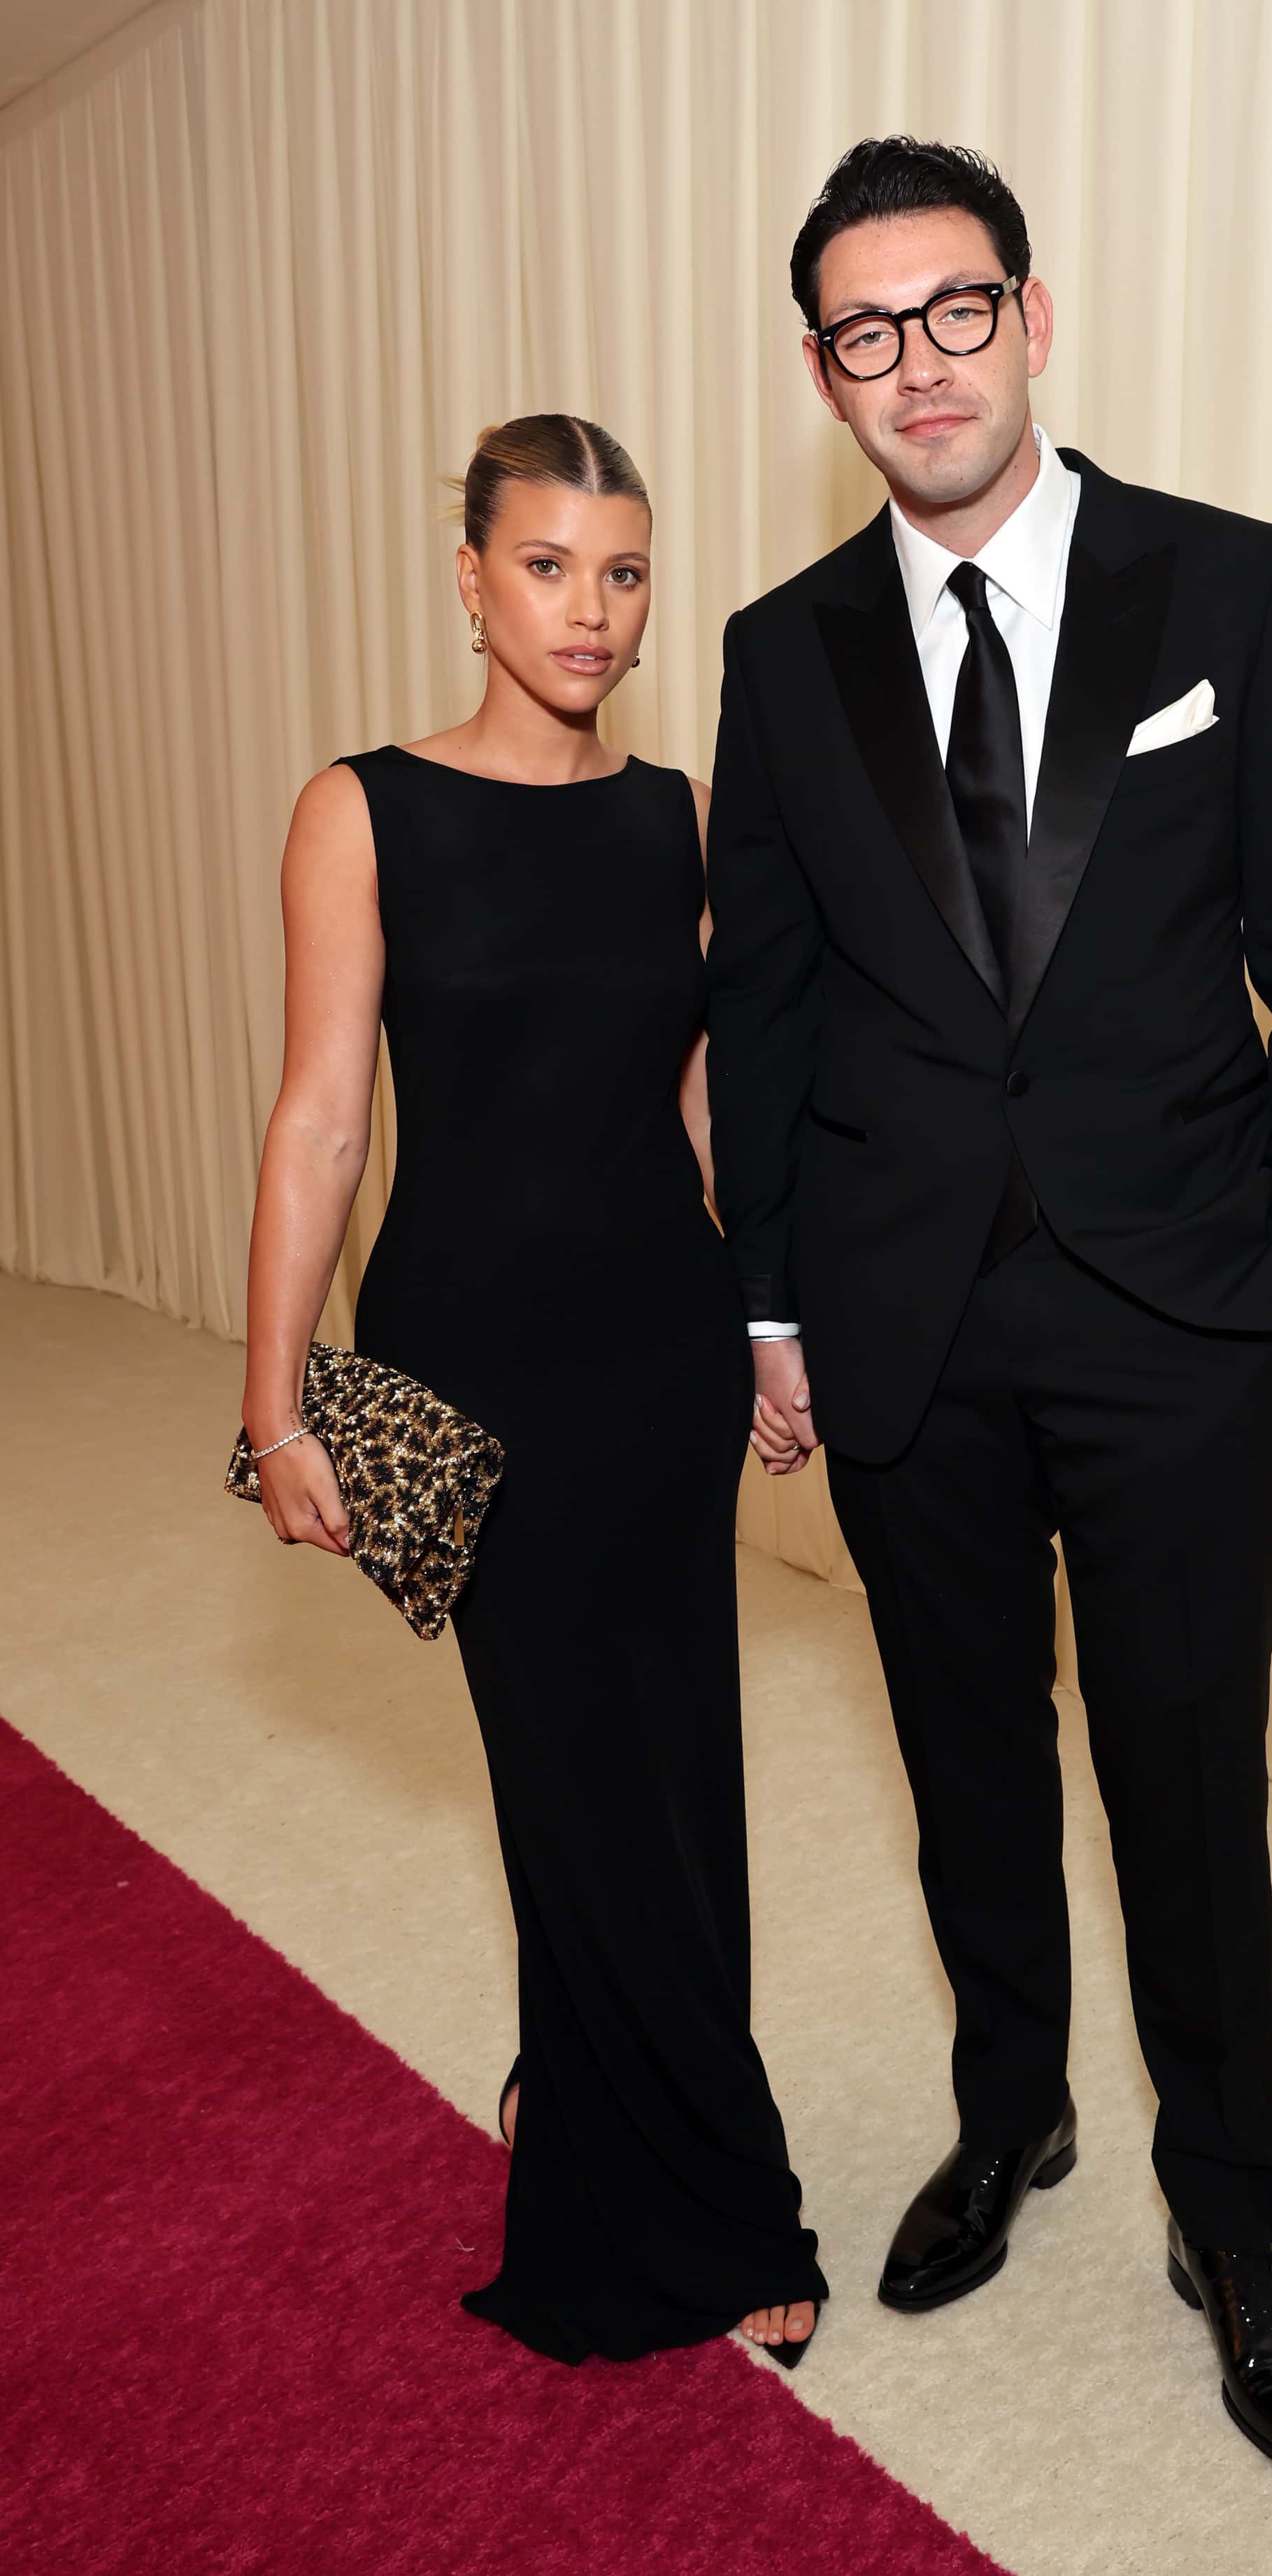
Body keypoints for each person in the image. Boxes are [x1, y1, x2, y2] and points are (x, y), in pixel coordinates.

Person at [704, 142, 1272, 2477]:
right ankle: (1016, 2118)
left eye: (954, 309)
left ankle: (1234, 2222)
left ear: (1033, 314)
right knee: (966, 1763)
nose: (918, 362)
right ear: (825, 371)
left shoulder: (1230, 580)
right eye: (865, 332)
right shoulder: (779, 652)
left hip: (1185, 1302)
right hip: (907, 1327)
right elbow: (771, 1013)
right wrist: (771, 1310)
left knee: (1187, 1785)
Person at [241, 413, 824, 2367]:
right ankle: (727, 2194)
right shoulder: (365, 804)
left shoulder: (678, 813)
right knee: (575, 1790)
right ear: (472, 578)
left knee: (681, 1771)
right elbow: (323, 1122)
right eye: (553, 565)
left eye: (626, 569)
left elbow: (696, 1093)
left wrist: (766, 1313)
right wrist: (281, 1406)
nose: (593, 608)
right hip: (472, 1368)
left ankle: (583, 2092)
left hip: (656, 1347)